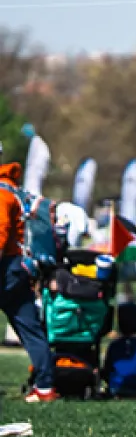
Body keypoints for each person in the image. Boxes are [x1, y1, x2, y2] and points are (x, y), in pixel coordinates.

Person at [0, 149, 56, 402]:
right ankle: (45, 387)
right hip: (16, 266)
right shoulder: (11, 188)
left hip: (5, 265)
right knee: (29, 327)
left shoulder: (1, 193)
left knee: (28, 327)